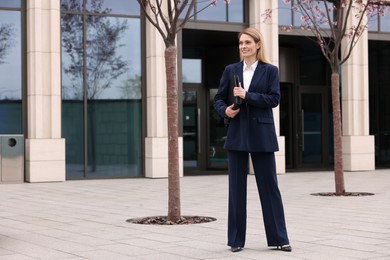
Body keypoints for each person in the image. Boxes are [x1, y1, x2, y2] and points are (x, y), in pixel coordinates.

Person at [213, 27, 291, 253]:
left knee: (269, 188)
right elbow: (218, 98)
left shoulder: (270, 71)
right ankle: (236, 240)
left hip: (262, 134)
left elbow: (274, 99)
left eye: (248, 42)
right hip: (237, 133)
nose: (244, 46)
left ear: (258, 45)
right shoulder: (231, 70)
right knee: (236, 189)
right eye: (241, 43)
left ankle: (279, 238)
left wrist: (248, 96)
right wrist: (225, 111)